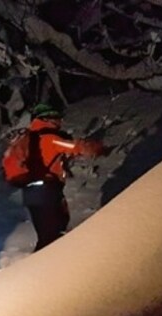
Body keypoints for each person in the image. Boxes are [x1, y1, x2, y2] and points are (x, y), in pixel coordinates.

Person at [18, 103, 104, 251]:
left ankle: (43, 264)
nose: (60, 122)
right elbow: (73, 147)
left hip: (29, 192)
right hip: (47, 191)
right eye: (57, 119)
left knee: (46, 234)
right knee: (56, 230)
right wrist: (95, 147)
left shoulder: (27, 139)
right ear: (48, 119)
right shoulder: (49, 138)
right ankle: (53, 265)